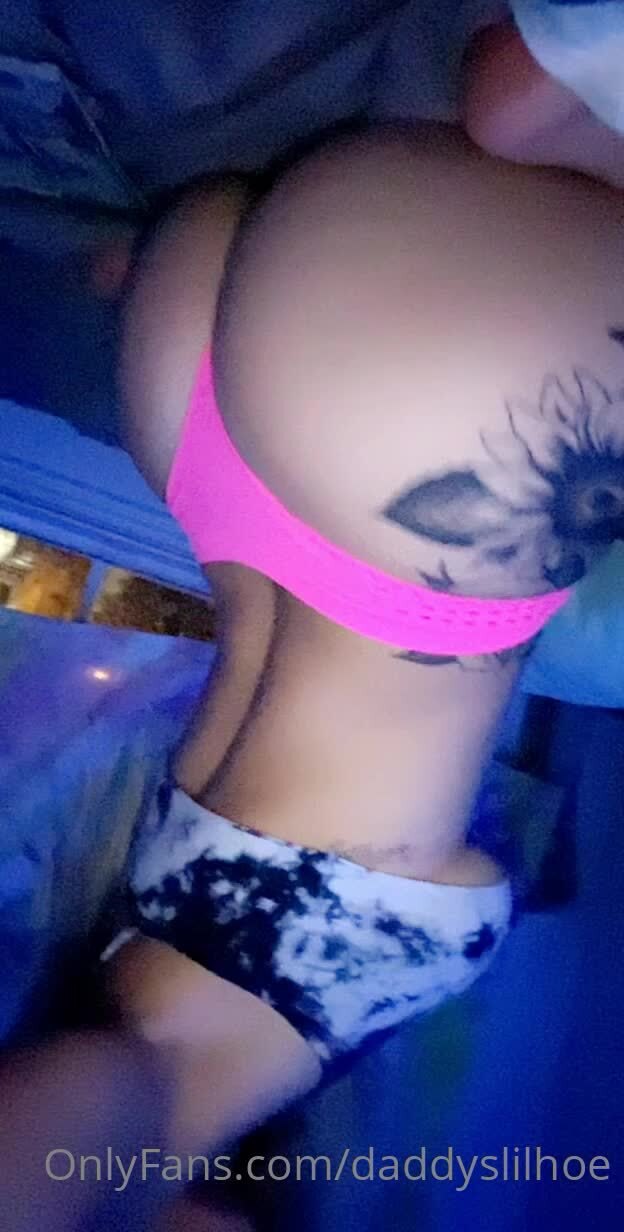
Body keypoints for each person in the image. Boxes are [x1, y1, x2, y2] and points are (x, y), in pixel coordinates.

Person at [2, 117, 623, 1232]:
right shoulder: (148, 977)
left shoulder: (154, 1099)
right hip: (209, 416)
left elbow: (61, 1136)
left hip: (416, 457)